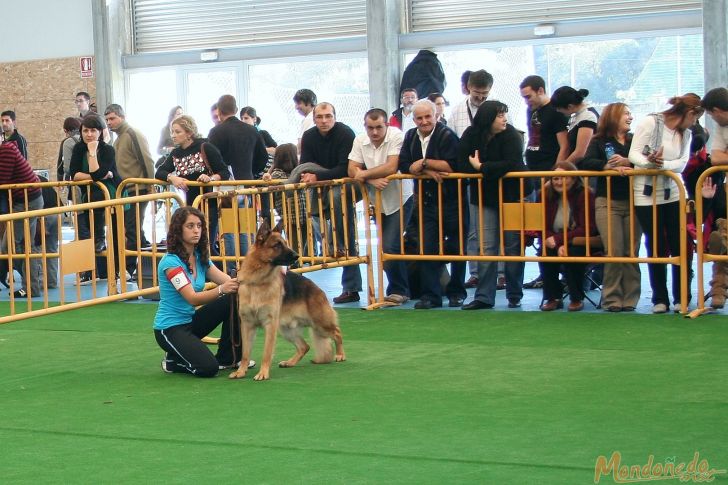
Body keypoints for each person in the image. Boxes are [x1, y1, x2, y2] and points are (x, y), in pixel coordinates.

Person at [153, 206, 253, 376]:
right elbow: (192, 298)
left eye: (199, 226)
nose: (196, 231)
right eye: (190, 226)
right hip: (169, 328)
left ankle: (229, 358)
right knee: (208, 368)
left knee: (233, 297)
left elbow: (229, 282)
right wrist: (222, 289)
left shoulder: (200, 256)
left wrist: (257, 276)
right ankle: (172, 362)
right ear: (178, 230)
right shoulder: (170, 263)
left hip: (190, 321)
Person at [628, 93, 703, 313]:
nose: (695, 123)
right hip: (645, 193)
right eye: (696, 117)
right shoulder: (650, 123)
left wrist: (661, 164)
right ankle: (659, 298)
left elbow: (681, 164)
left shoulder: (687, 134)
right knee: (656, 244)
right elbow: (634, 153)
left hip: (674, 193)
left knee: (680, 244)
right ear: (690, 113)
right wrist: (649, 162)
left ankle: (682, 296)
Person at [458, 100, 530, 310]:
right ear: (488, 118)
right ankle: (484, 297)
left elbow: (512, 163)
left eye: (504, 115)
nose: (504, 119)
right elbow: (461, 163)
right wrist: (488, 170)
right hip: (483, 197)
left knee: (513, 246)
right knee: (486, 246)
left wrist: (481, 167)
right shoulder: (471, 135)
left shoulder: (512, 136)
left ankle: (514, 294)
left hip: (513, 196)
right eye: (499, 115)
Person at [398, 99, 467, 309]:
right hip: (426, 203)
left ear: (436, 115)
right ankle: (431, 295)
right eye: (419, 117)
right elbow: (404, 165)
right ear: (413, 119)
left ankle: (457, 292)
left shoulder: (447, 135)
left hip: (453, 201)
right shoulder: (410, 136)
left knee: (457, 247)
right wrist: (427, 171)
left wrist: (424, 163)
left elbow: (452, 165)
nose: (424, 121)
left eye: (428, 116)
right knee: (427, 248)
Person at [348, 108, 414, 305]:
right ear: (365, 126)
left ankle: (399, 290)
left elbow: (391, 167)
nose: (374, 132)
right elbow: (351, 168)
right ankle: (399, 288)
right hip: (377, 200)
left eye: (378, 127)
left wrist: (365, 176)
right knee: (385, 246)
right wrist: (372, 180)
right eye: (370, 127)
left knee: (390, 245)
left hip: (401, 198)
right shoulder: (360, 140)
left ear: (386, 125)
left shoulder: (397, 136)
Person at [299, 102, 363, 304]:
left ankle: (350, 283)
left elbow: (344, 169)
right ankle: (329, 244)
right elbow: (306, 167)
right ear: (314, 118)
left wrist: (317, 176)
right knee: (306, 205)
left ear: (335, 117)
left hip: (346, 186)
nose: (324, 120)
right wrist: (313, 176)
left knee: (338, 202)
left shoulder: (345, 133)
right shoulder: (309, 136)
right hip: (319, 187)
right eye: (320, 117)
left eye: (328, 116)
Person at [580, 103, 641, 312]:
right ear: (613, 116)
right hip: (607, 201)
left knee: (631, 251)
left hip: (635, 202)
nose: (630, 118)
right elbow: (585, 162)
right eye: (626, 114)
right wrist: (605, 166)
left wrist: (629, 162)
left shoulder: (635, 141)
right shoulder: (599, 141)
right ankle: (612, 297)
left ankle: (631, 298)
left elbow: (646, 161)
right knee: (613, 250)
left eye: (630, 114)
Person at [519, 75, 570, 289]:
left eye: (529, 96)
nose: (527, 101)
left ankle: (562, 275)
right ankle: (545, 274)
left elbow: (564, 146)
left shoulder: (555, 114)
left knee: (555, 225)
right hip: (533, 174)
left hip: (549, 175)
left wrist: (554, 174)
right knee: (539, 227)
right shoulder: (532, 111)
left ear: (541, 91)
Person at [69, 114, 125, 281]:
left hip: (112, 193)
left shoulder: (108, 149)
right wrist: (97, 176)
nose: (89, 134)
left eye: (93, 130)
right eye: (85, 131)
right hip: (90, 196)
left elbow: (97, 172)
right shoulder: (78, 149)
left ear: (100, 132)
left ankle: (116, 270)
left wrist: (93, 152)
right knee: (91, 234)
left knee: (115, 233)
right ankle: (95, 271)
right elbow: (74, 174)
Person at [538, 161, 597, 312]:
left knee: (573, 253)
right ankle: (553, 297)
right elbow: (540, 225)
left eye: (564, 177)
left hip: (579, 240)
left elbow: (587, 228)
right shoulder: (544, 195)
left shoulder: (585, 194)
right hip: (554, 239)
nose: (559, 182)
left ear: (574, 178)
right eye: (555, 178)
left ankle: (576, 297)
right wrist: (557, 243)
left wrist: (561, 241)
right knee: (544, 253)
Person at [104, 103, 156, 257]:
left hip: (137, 188)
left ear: (122, 117)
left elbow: (147, 161)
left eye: (112, 118)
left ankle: (132, 267)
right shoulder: (118, 139)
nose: (109, 122)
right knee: (132, 227)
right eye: (107, 119)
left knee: (132, 228)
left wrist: (150, 185)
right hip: (126, 190)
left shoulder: (133, 134)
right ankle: (139, 264)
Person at [0, 141, 43, 298]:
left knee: (9, 246)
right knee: (25, 247)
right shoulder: (7, 148)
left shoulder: (6, 150)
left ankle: (32, 284)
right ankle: (32, 285)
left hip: (27, 201)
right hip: (25, 200)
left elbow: (2, 179)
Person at [550, 86, 599, 165]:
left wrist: (562, 167)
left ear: (570, 106)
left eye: (559, 108)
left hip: (587, 167)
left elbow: (580, 152)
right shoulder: (577, 117)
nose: (558, 111)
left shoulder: (588, 116)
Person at [448, 69, 493, 137]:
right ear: (468, 87)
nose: (480, 97)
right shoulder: (456, 111)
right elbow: (450, 141)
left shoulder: (499, 109)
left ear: (490, 89)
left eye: (484, 93)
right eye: (476, 92)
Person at [57, 117, 82, 182]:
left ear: (65, 130)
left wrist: (60, 181)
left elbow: (66, 168)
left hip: (75, 181)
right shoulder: (87, 138)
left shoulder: (67, 142)